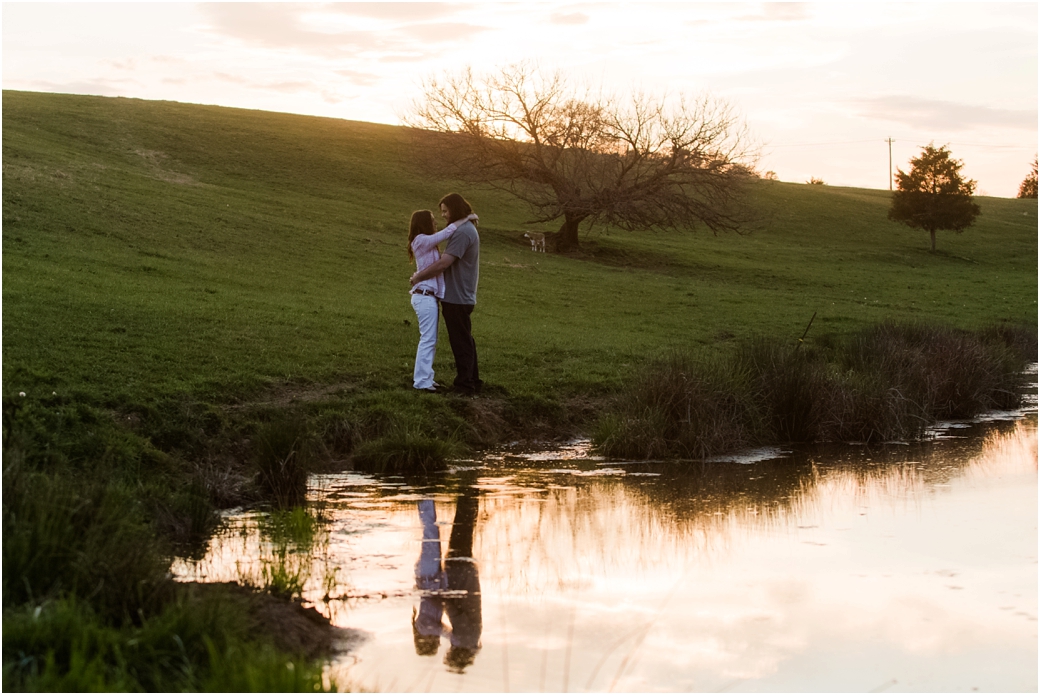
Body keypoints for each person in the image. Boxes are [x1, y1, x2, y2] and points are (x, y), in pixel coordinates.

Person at [410, 193, 483, 395]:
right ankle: (473, 381)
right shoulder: (466, 229)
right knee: (465, 338)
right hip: (459, 294)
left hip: (457, 296)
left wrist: (417, 277)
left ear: (455, 209)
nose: (443, 215)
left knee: (461, 341)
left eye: (445, 211)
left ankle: (464, 385)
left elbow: (444, 263)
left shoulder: (462, 232)